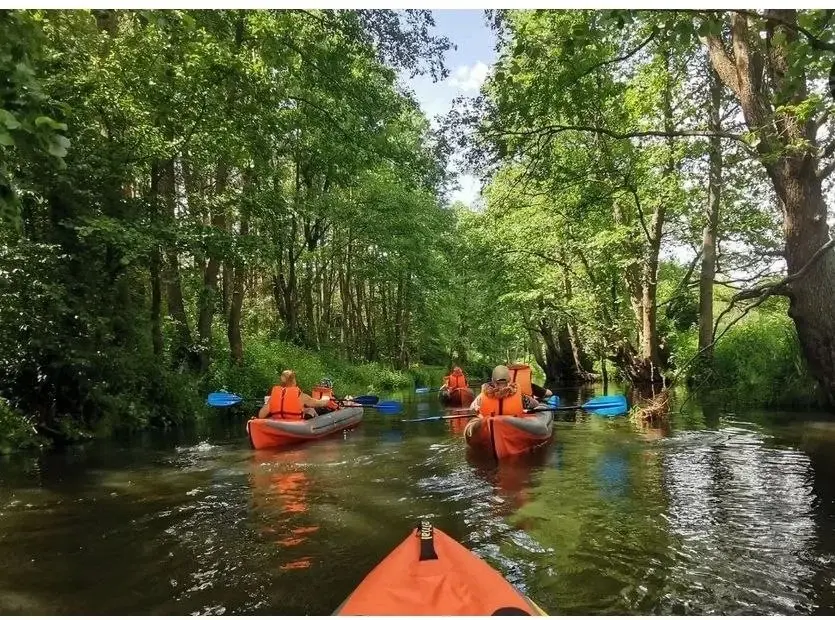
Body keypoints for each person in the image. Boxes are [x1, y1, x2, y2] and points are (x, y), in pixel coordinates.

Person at [469, 365, 541, 417]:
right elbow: (535, 404)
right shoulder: (518, 394)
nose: (501, 387)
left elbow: (472, 409)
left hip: (491, 426)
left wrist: (477, 409)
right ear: (509, 381)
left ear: (492, 381)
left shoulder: (483, 395)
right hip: (512, 426)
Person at [258, 370, 331, 420]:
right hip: (295, 424)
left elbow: (261, 415)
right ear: (293, 381)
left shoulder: (273, 396)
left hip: (278, 422)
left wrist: (267, 403)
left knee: (309, 410)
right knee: (311, 410)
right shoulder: (301, 396)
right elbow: (319, 404)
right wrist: (325, 398)